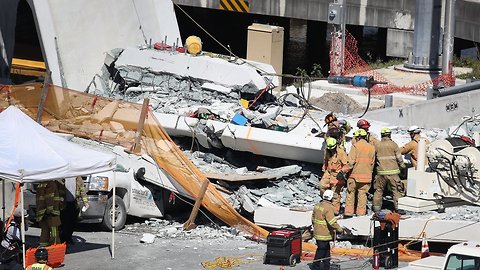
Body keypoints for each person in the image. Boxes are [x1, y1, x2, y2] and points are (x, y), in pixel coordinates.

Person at [373, 128, 406, 214]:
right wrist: (402, 167)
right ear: (389, 135)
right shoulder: (393, 145)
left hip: (381, 173)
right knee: (396, 190)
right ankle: (399, 208)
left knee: (378, 190)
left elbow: (373, 159)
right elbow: (399, 158)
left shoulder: (377, 145)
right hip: (393, 173)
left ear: (381, 135)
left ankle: (376, 208)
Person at [344, 129, 376, 217]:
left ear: (358, 137)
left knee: (350, 194)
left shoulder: (355, 146)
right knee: (362, 195)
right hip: (366, 177)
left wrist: (343, 171)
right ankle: (361, 214)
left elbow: (350, 163)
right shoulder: (372, 147)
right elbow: (372, 163)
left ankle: (348, 213)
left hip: (354, 176)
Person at [311, 190, 344, 270]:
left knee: (326, 251)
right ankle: (315, 267)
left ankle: (326, 266)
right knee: (321, 251)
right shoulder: (328, 208)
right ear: (331, 198)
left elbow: (312, 218)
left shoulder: (317, 205)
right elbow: (332, 222)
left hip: (317, 232)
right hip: (324, 234)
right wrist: (340, 229)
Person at [319, 137, 349, 215]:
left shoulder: (341, 152)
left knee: (335, 193)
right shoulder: (327, 150)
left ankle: (335, 210)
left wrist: (342, 172)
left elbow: (347, 164)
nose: (331, 150)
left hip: (337, 174)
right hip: (328, 172)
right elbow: (326, 161)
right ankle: (326, 203)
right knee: (322, 186)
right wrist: (324, 170)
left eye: (332, 148)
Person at [60, 176, 89, 245]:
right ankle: (63, 239)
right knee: (64, 222)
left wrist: (86, 202)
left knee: (72, 222)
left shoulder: (78, 178)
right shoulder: (61, 177)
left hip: (74, 203)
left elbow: (82, 190)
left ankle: (69, 238)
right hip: (63, 204)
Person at [36, 180, 64, 247]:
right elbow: (49, 197)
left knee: (45, 231)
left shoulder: (41, 183)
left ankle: (43, 246)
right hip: (51, 212)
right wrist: (50, 210)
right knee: (54, 230)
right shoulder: (51, 183)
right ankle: (55, 245)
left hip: (42, 211)